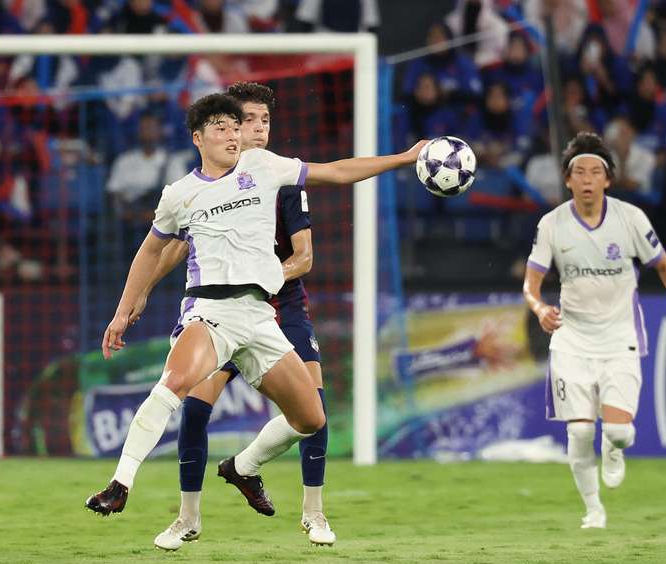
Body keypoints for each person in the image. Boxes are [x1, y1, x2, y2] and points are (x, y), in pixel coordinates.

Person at [85, 92, 426, 532]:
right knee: (173, 387)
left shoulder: (264, 167)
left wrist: (404, 158)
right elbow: (151, 251)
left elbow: (337, 171)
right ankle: (121, 484)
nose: (232, 135)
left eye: (235, 127)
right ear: (198, 138)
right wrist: (123, 310)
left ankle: (243, 466)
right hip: (210, 311)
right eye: (221, 128)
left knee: (311, 418)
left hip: (260, 317)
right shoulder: (179, 194)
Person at [126, 82, 335, 548]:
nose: (256, 129)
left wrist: (266, 277)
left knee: (314, 405)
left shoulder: (281, 177)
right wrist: (142, 290)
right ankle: (187, 518)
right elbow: (178, 243)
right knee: (195, 408)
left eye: (265, 121)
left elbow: (304, 256)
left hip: (280, 304)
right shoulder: (203, 187)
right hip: (221, 310)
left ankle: (313, 512)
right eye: (246, 121)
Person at [522, 132, 666, 529]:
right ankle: (593, 510)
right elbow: (530, 284)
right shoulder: (552, 224)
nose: (587, 179)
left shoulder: (630, 219)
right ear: (567, 180)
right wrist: (539, 308)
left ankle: (614, 446)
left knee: (619, 432)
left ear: (607, 179)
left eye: (595, 172)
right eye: (579, 172)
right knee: (579, 433)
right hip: (571, 340)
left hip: (620, 338)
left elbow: (665, 267)